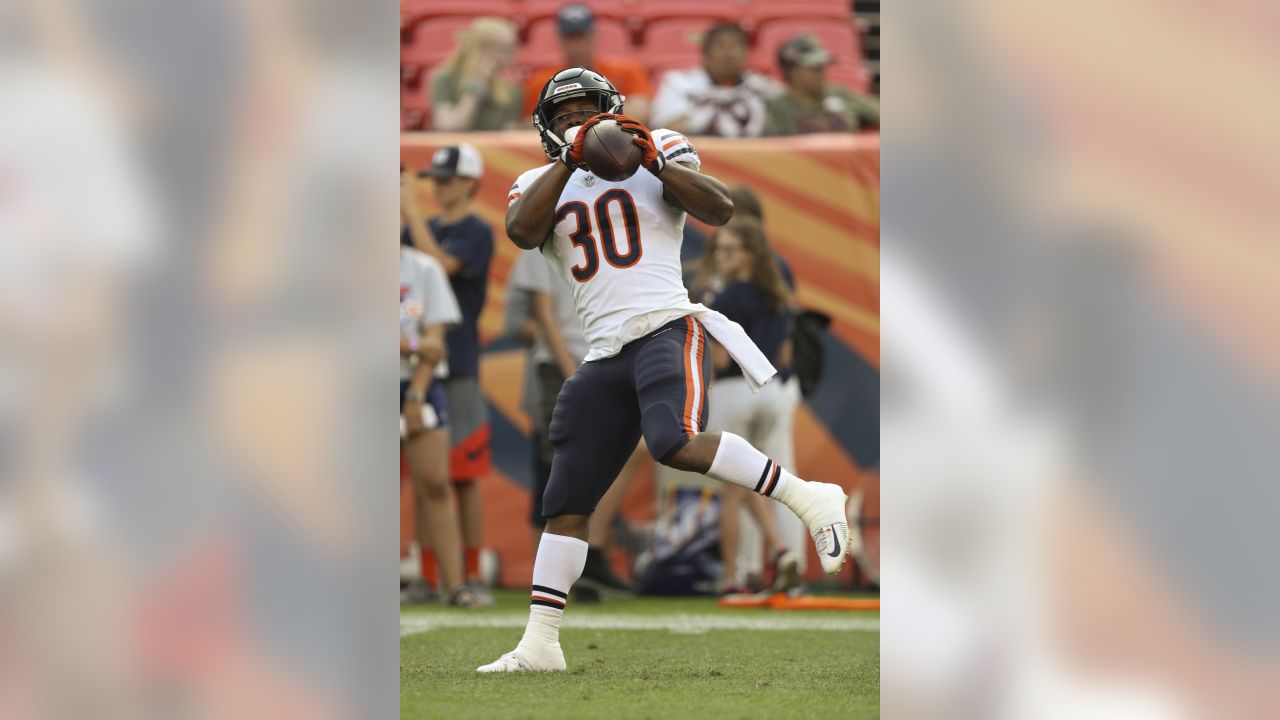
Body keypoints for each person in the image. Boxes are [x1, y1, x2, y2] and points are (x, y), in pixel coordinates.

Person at [478, 67, 850, 673]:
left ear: (613, 111)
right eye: (565, 114)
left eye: (587, 111)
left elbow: (720, 208)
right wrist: (573, 161)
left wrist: (653, 161)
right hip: (602, 352)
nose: (578, 121)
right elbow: (521, 233)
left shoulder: (665, 146)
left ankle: (809, 498)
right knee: (567, 500)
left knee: (671, 440)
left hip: (665, 326)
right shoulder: (535, 183)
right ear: (548, 128)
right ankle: (539, 644)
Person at [508, 248, 642, 595]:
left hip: (606, 358)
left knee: (625, 452)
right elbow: (544, 315)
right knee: (564, 467)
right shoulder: (541, 244)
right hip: (563, 365)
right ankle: (561, 575)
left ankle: (591, 555)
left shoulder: (604, 235)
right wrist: (575, 373)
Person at [401, 145, 495, 603]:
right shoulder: (420, 231)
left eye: (447, 178)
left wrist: (412, 216)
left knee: (461, 474)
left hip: (455, 365)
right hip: (414, 367)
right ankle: (428, 573)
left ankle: (471, 572)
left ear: (470, 184)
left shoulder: (476, 231)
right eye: (434, 178)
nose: (438, 186)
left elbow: (438, 266)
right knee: (424, 476)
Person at [690, 217, 803, 594]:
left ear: (749, 254)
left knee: (732, 489)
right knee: (755, 482)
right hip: (771, 394)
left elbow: (720, 362)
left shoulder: (727, 299)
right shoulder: (777, 294)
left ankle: (731, 577)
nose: (719, 257)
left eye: (728, 250)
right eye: (718, 249)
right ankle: (782, 550)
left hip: (735, 392)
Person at [398, 227, 484, 607]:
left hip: (416, 385)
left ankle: (456, 586)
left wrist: (416, 393)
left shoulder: (424, 268)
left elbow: (437, 346)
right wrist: (413, 344)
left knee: (435, 482)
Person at [522, 4, 652, 124]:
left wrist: (569, 118)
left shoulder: (625, 70)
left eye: (581, 36)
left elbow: (641, 111)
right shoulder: (542, 81)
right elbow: (530, 123)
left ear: (593, 35)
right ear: (560, 39)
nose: (576, 45)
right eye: (570, 38)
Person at [650, 22, 780, 137]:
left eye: (736, 46)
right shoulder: (680, 83)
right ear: (705, 54)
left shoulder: (763, 87)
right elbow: (668, 130)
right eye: (721, 46)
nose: (729, 53)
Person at [764, 34, 880, 135]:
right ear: (793, 71)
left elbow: (878, 112)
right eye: (813, 68)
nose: (821, 73)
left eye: (821, 66)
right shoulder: (777, 109)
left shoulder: (839, 94)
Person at [429, 17, 522, 131]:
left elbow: (509, 134)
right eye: (505, 49)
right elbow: (448, 128)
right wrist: (477, 85)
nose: (512, 56)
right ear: (482, 50)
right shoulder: (445, 79)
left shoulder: (511, 90)